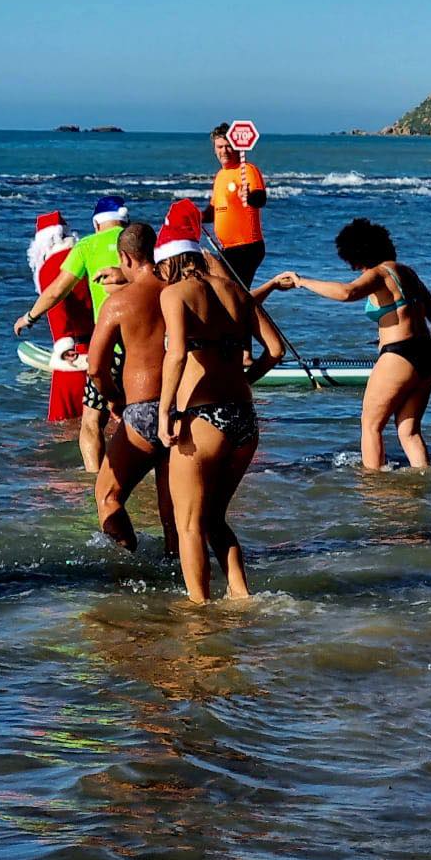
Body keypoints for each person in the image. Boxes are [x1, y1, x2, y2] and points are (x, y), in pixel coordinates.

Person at [153, 200, 285, 602]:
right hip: (244, 416)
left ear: (168, 262)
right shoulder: (236, 291)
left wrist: (164, 413)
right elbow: (276, 350)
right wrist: (245, 379)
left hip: (202, 417)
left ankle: (199, 610)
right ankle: (243, 598)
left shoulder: (176, 294)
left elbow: (176, 355)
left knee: (188, 521)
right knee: (214, 518)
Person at [266, 218, 431, 469]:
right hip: (426, 356)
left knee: (371, 426)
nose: (356, 270)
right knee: (409, 432)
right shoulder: (406, 272)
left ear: (360, 255)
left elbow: (346, 293)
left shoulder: (379, 274)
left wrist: (301, 281)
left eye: (355, 264)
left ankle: (372, 489)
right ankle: (425, 484)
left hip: (399, 356)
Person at [18, 195, 130, 472]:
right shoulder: (135, 242)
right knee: (126, 414)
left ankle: (92, 478)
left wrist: (29, 318)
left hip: (88, 354)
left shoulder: (78, 253)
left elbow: (56, 297)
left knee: (76, 422)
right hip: (138, 343)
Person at [87, 222, 177, 553]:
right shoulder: (178, 290)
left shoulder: (119, 304)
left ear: (125, 257)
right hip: (182, 408)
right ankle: (177, 570)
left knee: (108, 496)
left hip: (143, 411)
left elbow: (95, 367)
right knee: (172, 511)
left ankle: (130, 566)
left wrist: (114, 399)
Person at [27, 210, 96, 427]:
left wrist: (63, 346)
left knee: (64, 422)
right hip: (101, 344)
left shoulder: (50, 267)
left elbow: (57, 307)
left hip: (74, 354)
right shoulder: (85, 256)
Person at [203, 123, 269, 286]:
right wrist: (192, 215)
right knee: (224, 293)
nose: (223, 151)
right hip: (227, 249)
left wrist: (249, 197)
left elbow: (260, 198)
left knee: (232, 295)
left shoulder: (247, 169)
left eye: (228, 146)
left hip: (247, 247)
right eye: (219, 147)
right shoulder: (220, 176)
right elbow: (213, 212)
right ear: (214, 148)